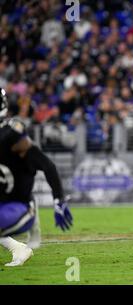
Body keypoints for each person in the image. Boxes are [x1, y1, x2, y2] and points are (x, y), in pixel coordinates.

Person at [0, 88, 73, 266]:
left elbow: (47, 165)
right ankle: (18, 248)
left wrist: (59, 199)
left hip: (18, 206)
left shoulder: (12, 136)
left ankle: (30, 229)